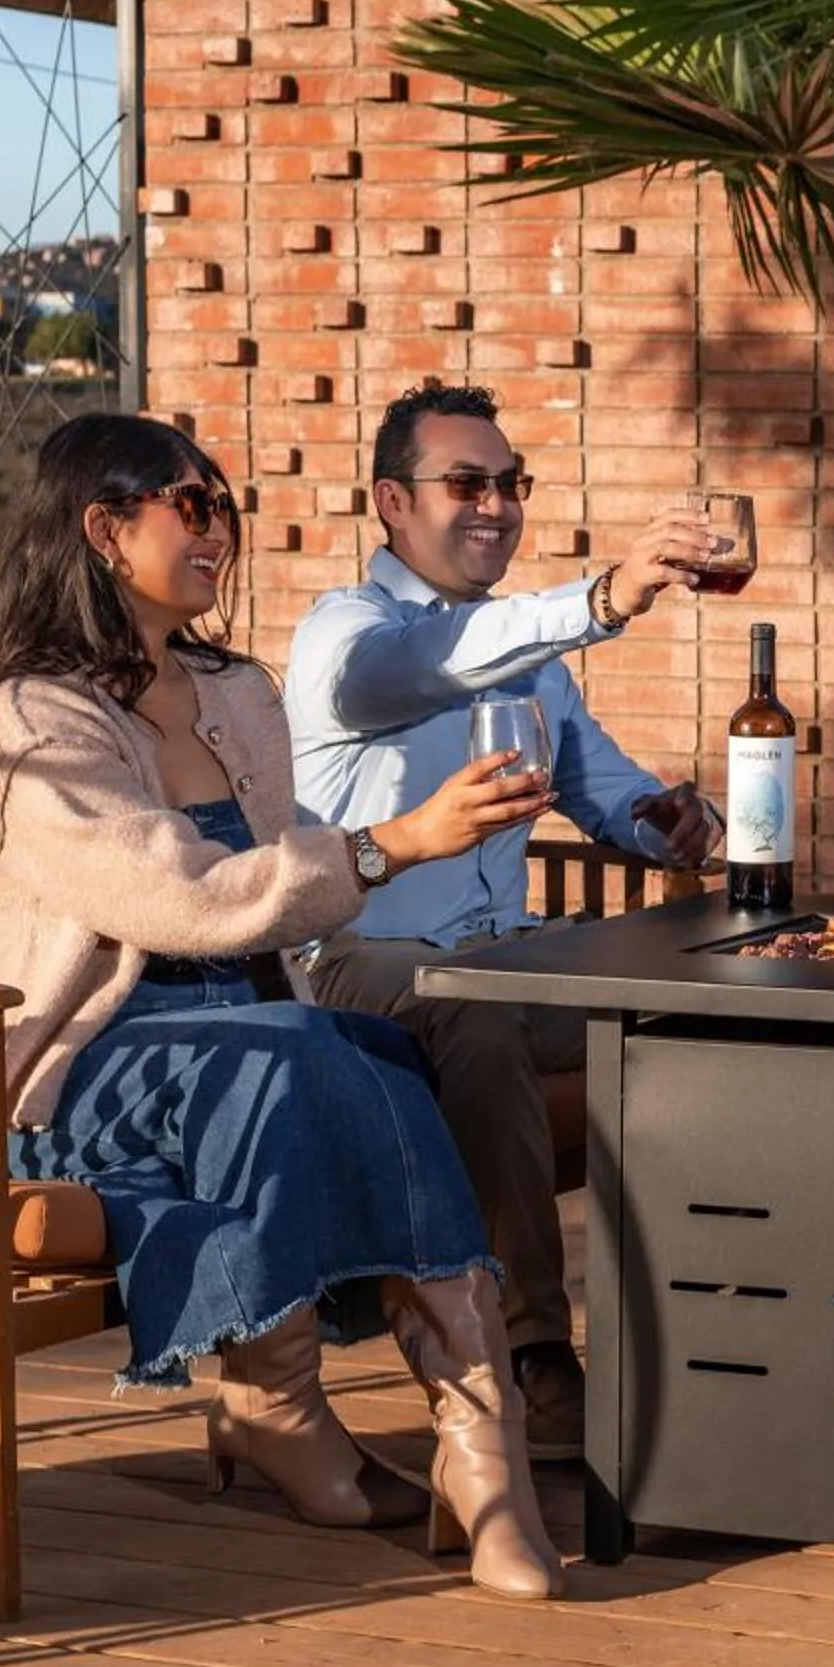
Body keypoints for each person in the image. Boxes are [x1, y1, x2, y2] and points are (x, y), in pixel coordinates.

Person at [0, 413, 567, 1601]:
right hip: (92, 1068)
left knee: (355, 1042)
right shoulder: (27, 720)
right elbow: (180, 898)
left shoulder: (236, 691)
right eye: (192, 503)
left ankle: (483, 1448)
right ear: (103, 527)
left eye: (225, 504)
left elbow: (276, 907)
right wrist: (391, 845)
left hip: (251, 1035)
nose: (220, 527)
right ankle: (285, 1406)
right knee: (294, 1053)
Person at [283, 381, 726, 1463]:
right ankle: (535, 1355)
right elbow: (424, 669)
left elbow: (611, 793)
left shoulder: (526, 650)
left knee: (709, 1004)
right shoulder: (348, 632)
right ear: (393, 500)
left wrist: (669, 820)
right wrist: (607, 594)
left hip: (509, 955)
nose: (496, 505)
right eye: (466, 482)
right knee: (474, 1014)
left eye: (511, 483)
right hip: (349, 957)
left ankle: (721, 1337)